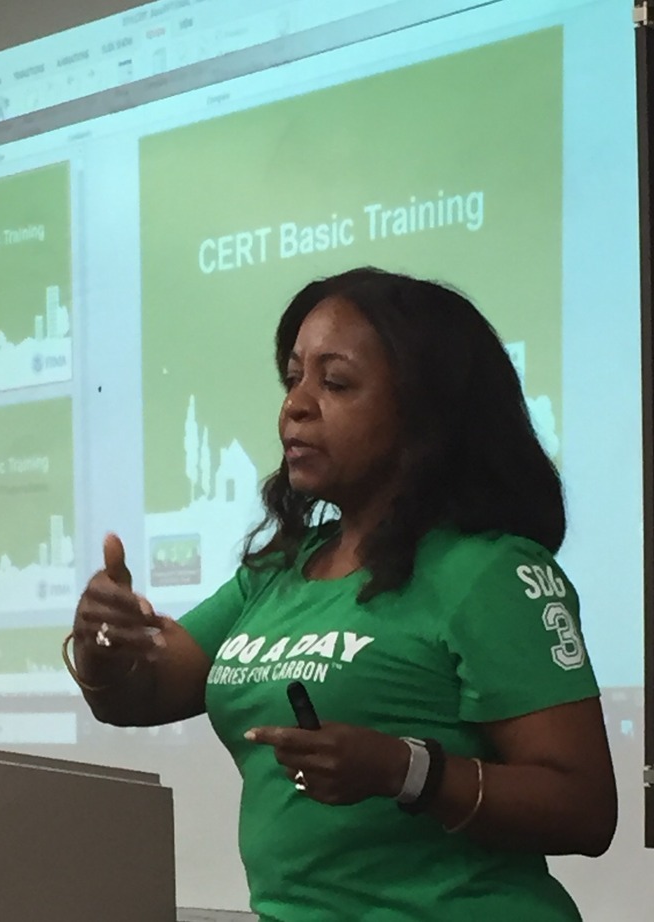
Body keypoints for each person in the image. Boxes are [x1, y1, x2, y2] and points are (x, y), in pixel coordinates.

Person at [64, 267, 617, 921]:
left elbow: (584, 810)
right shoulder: (276, 575)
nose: (295, 405)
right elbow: (144, 692)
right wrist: (106, 644)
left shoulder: (488, 573)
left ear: (425, 413)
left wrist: (404, 770)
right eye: (293, 376)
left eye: (336, 382)